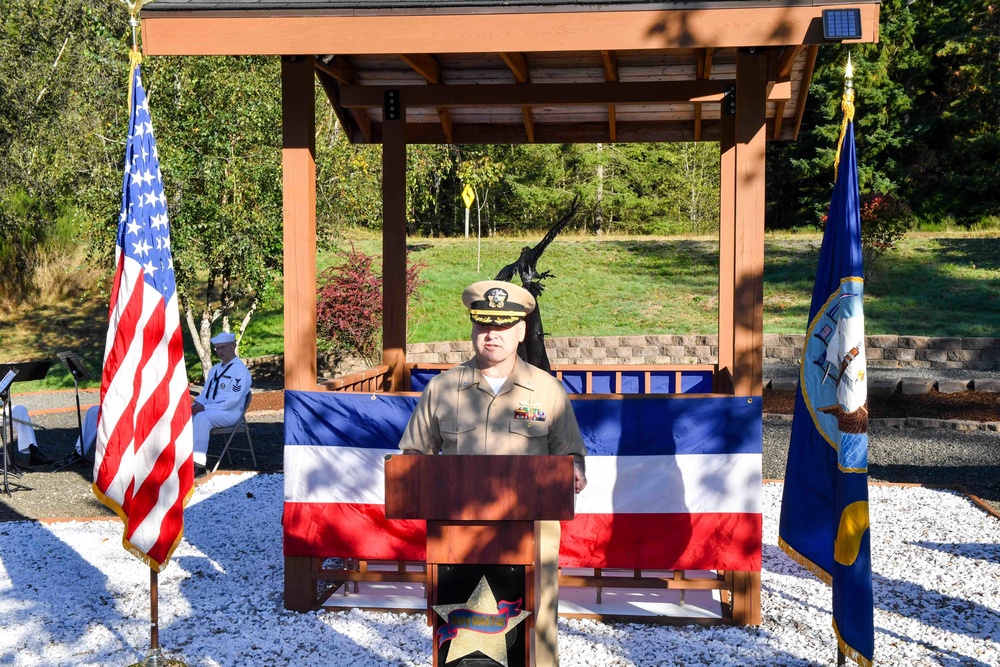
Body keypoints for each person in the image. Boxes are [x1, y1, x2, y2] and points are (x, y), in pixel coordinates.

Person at [397, 279, 586, 667]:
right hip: (457, 536)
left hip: (530, 533)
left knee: (535, 634)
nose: (491, 335)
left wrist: (575, 473)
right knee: (460, 636)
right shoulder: (442, 389)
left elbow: (570, 454)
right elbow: (413, 455)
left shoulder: (547, 390)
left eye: (502, 327)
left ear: (520, 332)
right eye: (484, 325)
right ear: (472, 328)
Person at [191, 332, 252, 470]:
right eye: (218, 348)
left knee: (201, 417)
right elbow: (205, 392)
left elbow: (233, 401)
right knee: (187, 415)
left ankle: (198, 464)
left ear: (233, 346)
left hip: (230, 412)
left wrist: (205, 409)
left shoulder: (240, 371)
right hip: (212, 410)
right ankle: (182, 459)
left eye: (223, 347)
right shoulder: (215, 369)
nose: (220, 351)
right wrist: (198, 404)